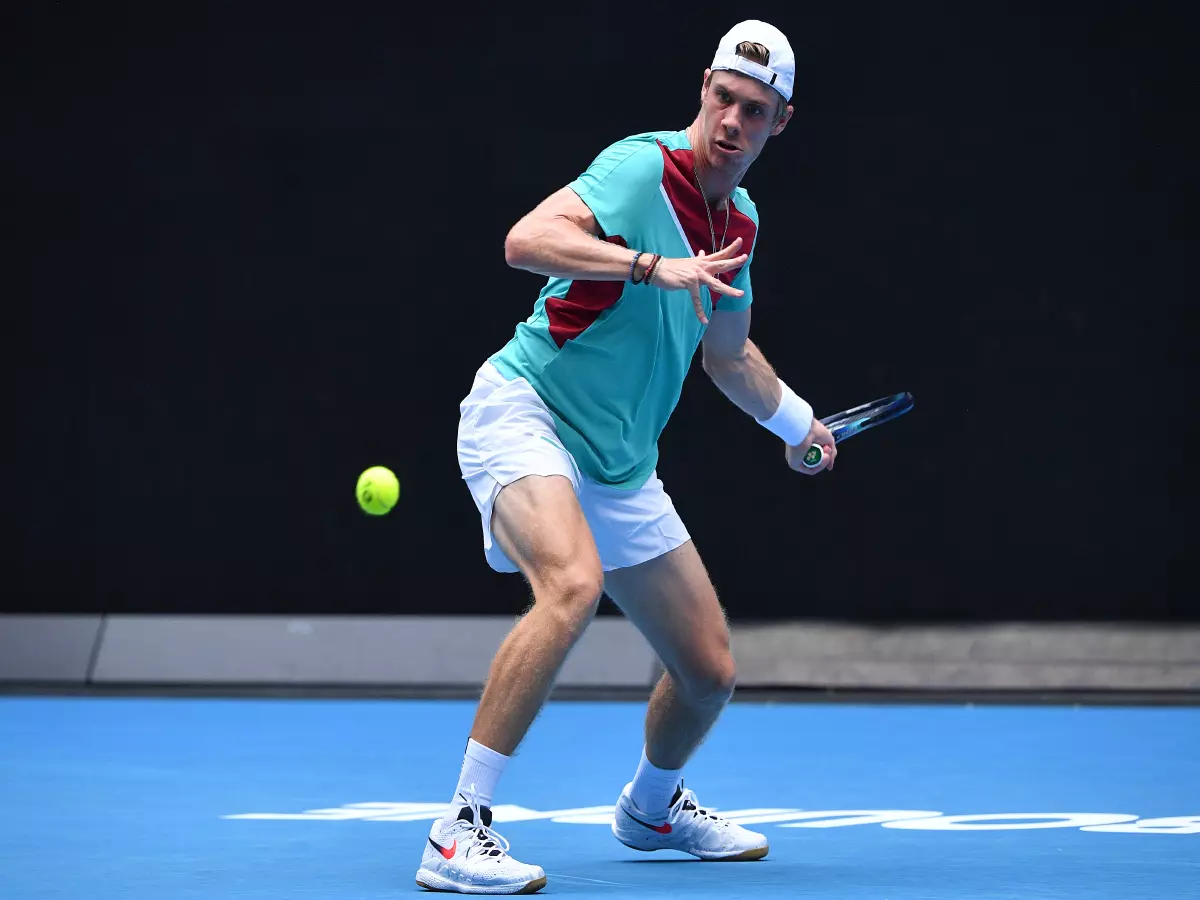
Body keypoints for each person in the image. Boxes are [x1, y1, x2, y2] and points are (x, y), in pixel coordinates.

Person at [415, 19, 837, 896]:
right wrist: (649, 265)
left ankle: (651, 810)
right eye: (723, 97)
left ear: (779, 124)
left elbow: (728, 354)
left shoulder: (742, 221)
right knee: (568, 586)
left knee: (709, 673)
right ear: (704, 88)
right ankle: (457, 830)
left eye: (754, 111)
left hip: (619, 465)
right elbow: (524, 242)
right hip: (526, 412)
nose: (731, 121)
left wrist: (798, 424)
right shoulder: (642, 168)